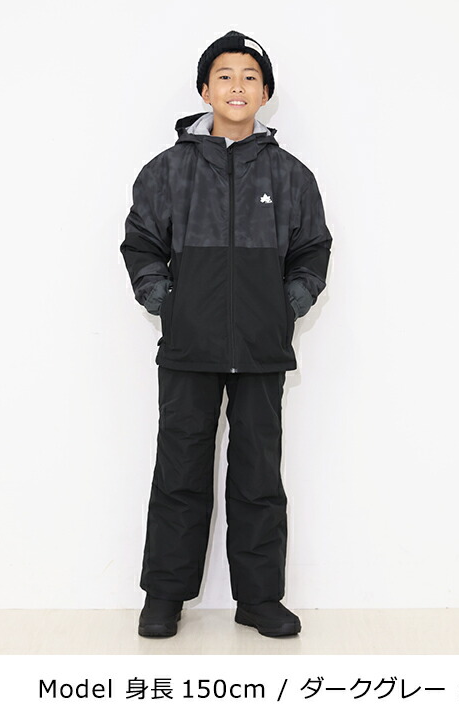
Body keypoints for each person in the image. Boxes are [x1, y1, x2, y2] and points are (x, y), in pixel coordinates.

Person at [120, 30, 332, 638]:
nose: (237, 86)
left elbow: (313, 249)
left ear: (265, 93)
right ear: (204, 90)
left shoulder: (291, 176)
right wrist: (166, 301)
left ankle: (260, 599)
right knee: (179, 472)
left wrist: (288, 304)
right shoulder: (168, 171)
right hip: (189, 348)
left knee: (258, 476)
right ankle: (164, 596)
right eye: (224, 76)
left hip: (262, 351)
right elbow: (141, 244)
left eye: (250, 77)